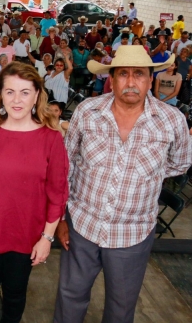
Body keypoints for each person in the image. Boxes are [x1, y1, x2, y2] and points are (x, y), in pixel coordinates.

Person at [54, 45, 192, 323]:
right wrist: (60, 218)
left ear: (150, 79)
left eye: (139, 74)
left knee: (121, 307)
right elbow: (64, 166)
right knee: (70, 297)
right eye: (123, 74)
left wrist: (146, 176)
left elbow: (180, 163)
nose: (131, 82)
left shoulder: (171, 121)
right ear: (112, 79)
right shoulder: (88, 111)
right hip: (82, 225)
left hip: (133, 233)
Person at [0, 62, 68, 323]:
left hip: (27, 235)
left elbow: (58, 193)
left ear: (36, 95)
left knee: (14, 296)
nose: (17, 100)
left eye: (25, 92)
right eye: (10, 92)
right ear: (0, 95)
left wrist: (47, 237)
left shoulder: (51, 139)